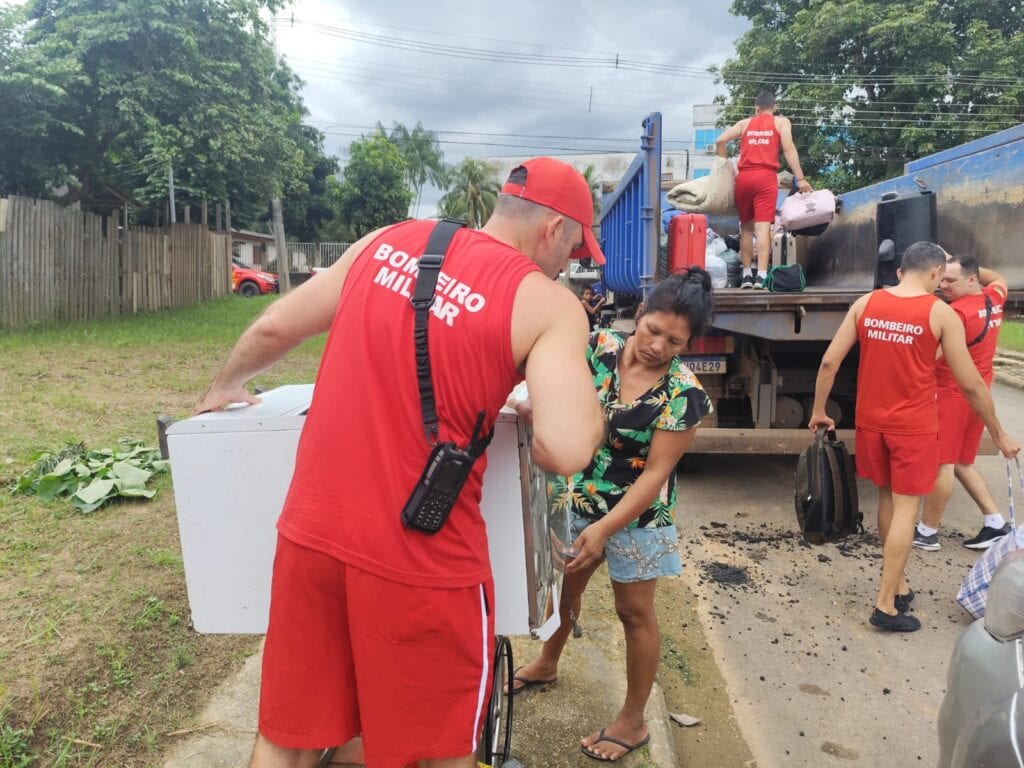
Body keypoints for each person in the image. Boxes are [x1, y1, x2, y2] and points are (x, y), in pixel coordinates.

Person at [192, 157, 608, 768]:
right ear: (552, 229)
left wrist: (223, 388)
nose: (568, 264)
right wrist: (581, 403)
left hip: (312, 537)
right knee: (438, 748)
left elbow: (277, 326)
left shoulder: (387, 241)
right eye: (574, 248)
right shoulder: (546, 304)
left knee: (290, 735)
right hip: (424, 564)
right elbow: (566, 448)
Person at [507, 268, 714, 761]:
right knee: (564, 590)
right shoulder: (595, 346)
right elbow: (561, 398)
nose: (658, 346)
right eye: (652, 331)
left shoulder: (685, 396)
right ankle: (547, 662)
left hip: (637, 516)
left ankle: (633, 720)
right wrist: (539, 411)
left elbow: (654, 475)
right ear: (638, 315)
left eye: (674, 341)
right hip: (576, 497)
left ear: (688, 345)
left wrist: (603, 530)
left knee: (634, 612)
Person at [809, 241, 1020, 633]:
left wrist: (819, 411)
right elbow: (972, 384)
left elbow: (829, 361)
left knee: (889, 500)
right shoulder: (940, 313)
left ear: (902, 269)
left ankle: (899, 584)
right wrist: (1000, 433)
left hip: (871, 423)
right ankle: (885, 605)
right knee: (907, 510)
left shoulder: (866, 303)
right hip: (914, 427)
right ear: (937, 273)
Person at [915, 255, 1010, 552]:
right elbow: (998, 278)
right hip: (979, 394)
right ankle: (995, 522)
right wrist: (959, 263)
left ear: (971, 280)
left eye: (951, 280)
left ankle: (927, 532)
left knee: (942, 464)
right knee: (961, 462)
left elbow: (933, 359)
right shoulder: (993, 299)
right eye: (942, 279)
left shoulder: (954, 314)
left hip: (951, 395)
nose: (943, 286)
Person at [715, 90, 812, 290]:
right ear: (774, 107)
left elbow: (720, 141)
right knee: (763, 229)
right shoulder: (781, 122)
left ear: (756, 109)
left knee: (746, 230)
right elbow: (788, 148)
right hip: (766, 179)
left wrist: (723, 162)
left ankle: (746, 276)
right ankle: (761, 277)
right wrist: (800, 178)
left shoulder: (745, 123)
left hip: (744, 178)